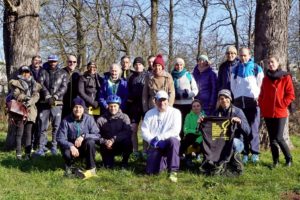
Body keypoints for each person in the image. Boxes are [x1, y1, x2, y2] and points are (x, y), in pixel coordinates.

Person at [200, 89, 250, 175]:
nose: (224, 100)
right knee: (205, 143)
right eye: (221, 98)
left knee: (233, 143)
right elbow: (210, 130)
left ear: (230, 99)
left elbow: (248, 131)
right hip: (221, 142)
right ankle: (213, 162)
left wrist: (240, 122)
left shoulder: (238, 111)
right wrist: (202, 123)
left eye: (226, 98)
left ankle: (234, 163)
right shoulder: (216, 112)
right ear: (219, 100)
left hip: (236, 142)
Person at [258, 55, 295, 167]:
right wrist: (262, 106)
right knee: (272, 139)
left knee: (279, 137)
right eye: (269, 63)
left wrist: (282, 104)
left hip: (280, 112)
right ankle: (276, 161)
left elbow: (291, 95)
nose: (270, 64)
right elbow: (262, 95)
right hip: (268, 113)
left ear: (278, 63)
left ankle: (289, 159)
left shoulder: (285, 77)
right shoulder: (265, 79)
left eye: (272, 62)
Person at [231, 47, 264, 164]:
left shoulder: (256, 68)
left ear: (249, 56)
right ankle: (245, 153)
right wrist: (237, 97)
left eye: (245, 55)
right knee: (242, 128)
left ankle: (255, 153)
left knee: (254, 128)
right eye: (241, 55)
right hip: (239, 103)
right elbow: (232, 86)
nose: (243, 57)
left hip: (253, 102)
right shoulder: (235, 69)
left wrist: (257, 96)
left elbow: (261, 85)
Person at [141, 90, 181, 182]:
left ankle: (173, 171)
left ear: (168, 100)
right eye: (159, 100)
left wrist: (160, 138)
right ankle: (164, 162)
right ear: (155, 101)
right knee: (152, 172)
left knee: (174, 141)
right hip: (155, 144)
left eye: (164, 100)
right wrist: (152, 140)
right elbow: (144, 131)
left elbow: (175, 131)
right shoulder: (149, 113)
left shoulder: (175, 112)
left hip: (169, 142)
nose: (162, 103)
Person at [57, 97, 100, 179]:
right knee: (66, 152)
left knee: (91, 142)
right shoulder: (65, 121)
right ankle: (70, 165)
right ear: (72, 108)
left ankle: (91, 168)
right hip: (72, 149)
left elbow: (97, 135)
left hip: (84, 148)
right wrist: (71, 145)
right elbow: (60, 138)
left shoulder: (89, 119)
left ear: (83, 109)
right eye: (75, 107)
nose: (78, 109)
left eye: (80, 107)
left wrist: (83, 136)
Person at [35, 55, 68, 156]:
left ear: (57, 61)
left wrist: (55, 97)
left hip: (57, 103)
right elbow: (40, 84)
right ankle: (41, 147)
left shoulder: (63, 73)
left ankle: (54, 146)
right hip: (44, 103)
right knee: (42, 125)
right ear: (48, 62)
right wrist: (48, 96)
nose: (52, 63)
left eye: (54, 61)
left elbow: (64, 86)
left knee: (56, 126)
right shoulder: (43, 71)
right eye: (50, 61)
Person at [8, 66, 42, 160]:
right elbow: (16, 95)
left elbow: (36, 96)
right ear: (20, 73)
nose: (25, 74)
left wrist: (29, 102)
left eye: (27, 72)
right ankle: (18, 155)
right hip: (20, 110)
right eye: (23, 72)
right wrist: (26, 98)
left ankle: (27, 155)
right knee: (19, 133)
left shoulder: (35, 84)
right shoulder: (17, 83)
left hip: (31, 110)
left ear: (30, 73)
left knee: (28, 133)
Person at [96, 95, 132, 169]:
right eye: (111, 106)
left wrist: (113, 139)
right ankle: (108, 160)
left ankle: (125, 162)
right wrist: (105, 141)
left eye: (115, 106)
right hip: (107, 146)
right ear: (108, 106)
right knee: (108, 167)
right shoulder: (101, 119)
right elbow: (96, 134)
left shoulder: (125, 117)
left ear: (118, 106)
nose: (113, 108)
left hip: (120, 144)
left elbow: (127, 132)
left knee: (128, 141)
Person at [171, 57, 198, 138]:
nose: (179, 66)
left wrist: (188, 95)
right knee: (178, 124)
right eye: (177, 65)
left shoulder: (188, 75)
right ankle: (179, 143)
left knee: (187, 124)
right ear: (174, 65)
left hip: (188, 104)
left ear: (183, 65)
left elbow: (195, 90)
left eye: (181, 64)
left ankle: (188, 142)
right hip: (176, 104)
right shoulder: (171, 76)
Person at [127, 57, 148, 159]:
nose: (137, 66)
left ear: (143, 65)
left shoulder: (148, 76)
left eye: (140, 64)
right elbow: (129, 91)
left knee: (145, 129)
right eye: (136, 64)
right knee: (133, 129)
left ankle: (144, 151)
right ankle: (135, 151)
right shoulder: (131, 77)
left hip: (145, 106)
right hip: (134, 107)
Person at [180, 99, 205, 167]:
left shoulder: (204, 117)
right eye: (194, 106)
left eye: (198, 106)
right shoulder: (188, 116)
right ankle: (185, 157)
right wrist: (196, 132)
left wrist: (197, 140)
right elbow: (185, 130)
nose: (196, 107)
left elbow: (205, 132)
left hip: (200, 137)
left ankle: (202, 158)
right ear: (191, 107)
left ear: (201, 107)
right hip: (190, 136)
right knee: (189, 136)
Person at [29, 55, 44, 150]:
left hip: (42, 100)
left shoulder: (43, 70)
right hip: (31, 100)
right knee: (31, 123)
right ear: (32, 61)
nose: (37, 62)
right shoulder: (27, 70)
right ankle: (30, 144)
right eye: (35, 60)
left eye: (39, 60)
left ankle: (38, 144)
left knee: (40, 122)